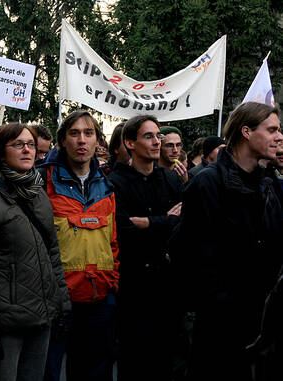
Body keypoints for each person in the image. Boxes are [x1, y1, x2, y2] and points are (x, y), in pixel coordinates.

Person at [170, 102, 283, 381]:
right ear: (246, 131)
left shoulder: (267, 185)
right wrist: (218, 301)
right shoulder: (208, 183)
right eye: (271, 130)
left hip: (260, 323)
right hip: (219, 325)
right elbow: (187, 253)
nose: (279, 137)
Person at [0, 122, 70, 381]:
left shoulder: (37, 192)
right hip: (5, 324)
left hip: (40, 318)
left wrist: (61, 305)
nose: (27, 150)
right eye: (18, 144)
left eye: (30, 144)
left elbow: (52, 253)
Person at [38, 111, 119, 381]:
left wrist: (112, 282)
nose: (81, 140)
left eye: (88, 133)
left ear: (98, 141)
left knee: (94, 372)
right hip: (56, 299)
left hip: (99, 297)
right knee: (47, 371)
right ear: (62, 141)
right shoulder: (42, 181)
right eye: (74, 133)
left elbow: (112, 241)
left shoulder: (107, 184)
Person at [109, 115, 184, 380]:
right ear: (129, 143)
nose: (156, 142)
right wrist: (167, 222)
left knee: (164, 360)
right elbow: (123, 232)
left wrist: (151, 223)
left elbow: (184, 225)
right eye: (148, 136)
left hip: (167, 284)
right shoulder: (115, 183)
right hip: (133, 285)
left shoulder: (170, 180)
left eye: (158, 136)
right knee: (135, 360)